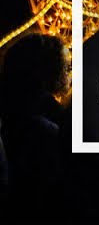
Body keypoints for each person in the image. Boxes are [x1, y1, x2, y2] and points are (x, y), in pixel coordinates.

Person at [0, 33, 69, 223]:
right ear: (49, 70)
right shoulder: (50, 126)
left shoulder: (11, 110)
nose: (68, 72)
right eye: (64, 65)